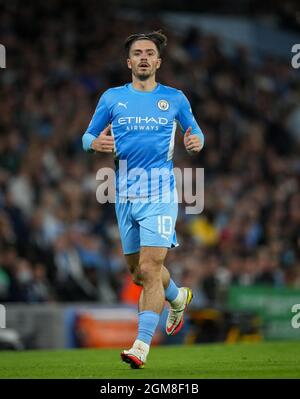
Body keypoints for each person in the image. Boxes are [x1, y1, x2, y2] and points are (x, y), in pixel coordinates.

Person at [82, 31, 204, 369]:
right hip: (124, 194)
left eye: (150, 53)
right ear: (129, 62)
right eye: (138, 53)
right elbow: (87, 135)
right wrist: (94, 144)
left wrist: (197, 141)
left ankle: (140, 346)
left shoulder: (175, 98)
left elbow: (196, 130)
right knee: (138, 273)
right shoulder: (111, 98)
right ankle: (178, 297)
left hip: (161, 192)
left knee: (151, 268)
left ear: (159, 61)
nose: (144, 57)